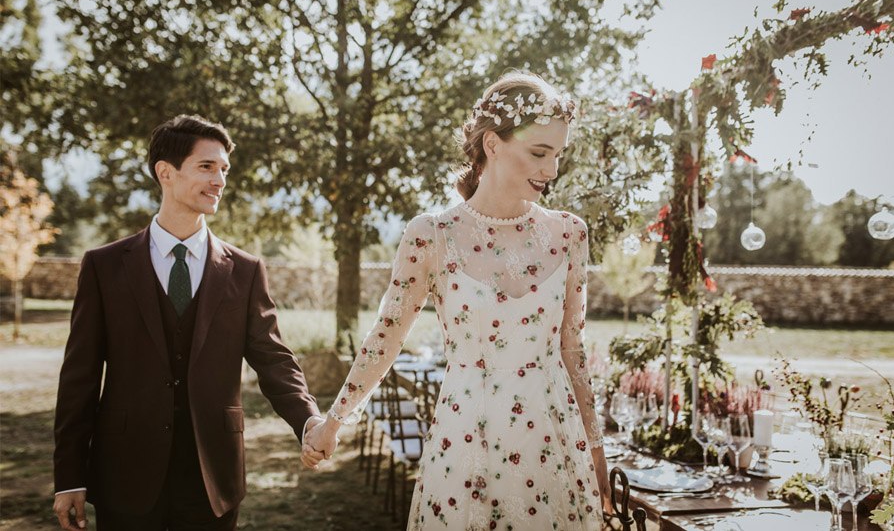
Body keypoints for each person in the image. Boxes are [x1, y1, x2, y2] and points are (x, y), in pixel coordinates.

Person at [304, 72, 613, 529]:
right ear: (492, 144)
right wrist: (334, 422)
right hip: (467, 440)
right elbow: (385, 338)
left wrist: (595, 450)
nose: (551, 170)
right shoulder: (431, 235)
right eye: (539, 153)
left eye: (558, 155)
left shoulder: (569, 233)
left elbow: (573, 349)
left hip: (551, 442)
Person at [52, 115, 324, 530]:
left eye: (224, 169)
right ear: (166, 172)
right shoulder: (104, 267)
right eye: (206, 167)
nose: (220, 180)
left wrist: (307, 419)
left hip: (214, 478)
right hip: (126, 473)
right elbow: (79, 378)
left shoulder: (245, 271)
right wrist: (69, 477)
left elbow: (274, 360)